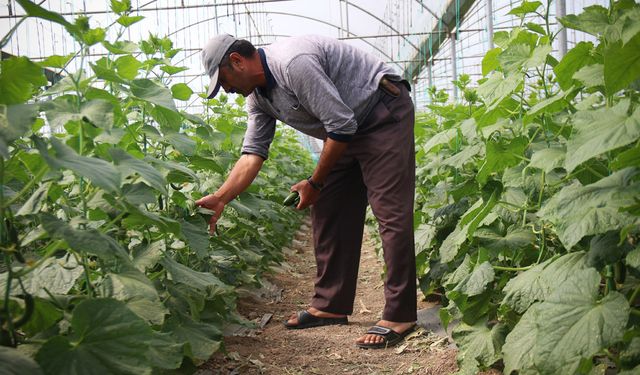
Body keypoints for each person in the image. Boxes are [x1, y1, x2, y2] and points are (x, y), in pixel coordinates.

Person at [196, 34, 417, 349]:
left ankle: (399, 314)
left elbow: (341, 126)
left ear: (237, 61)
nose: (226, 90)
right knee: (329, 209)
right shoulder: (258, 98)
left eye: (224, 81)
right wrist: (221, 198)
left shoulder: (292, 63)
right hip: (343, 129)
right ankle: (331, 305)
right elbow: (252, 154)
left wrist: (314, 183)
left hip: (381, 112)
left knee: (390, 212)